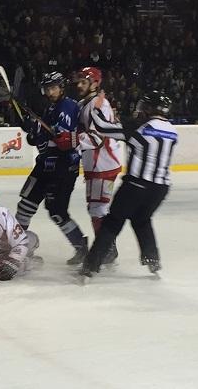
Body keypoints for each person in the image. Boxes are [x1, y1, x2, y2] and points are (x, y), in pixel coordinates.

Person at [81, 91, 177, 276]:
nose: (141, 110)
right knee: (141, 219)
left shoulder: (139, 127)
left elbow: (101, 127)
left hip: (136, 185)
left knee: (112, 222)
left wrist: (96, 106)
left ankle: (92, 264)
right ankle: (152, 258)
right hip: (160, 188)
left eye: (145, 106)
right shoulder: (173, 130)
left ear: (151, 109)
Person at [15, 72, 87, 264]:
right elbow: (40, 137)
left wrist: (39, 130)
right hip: (44, 164)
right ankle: (16, 246)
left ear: (61, 88)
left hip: (63, 166)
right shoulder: (50, 108)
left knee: (56, 210)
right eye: (47, 88)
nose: (50, 91)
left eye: (53, 87)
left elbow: (62, 140)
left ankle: (81, 246)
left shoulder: (68, 106)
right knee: (25, 205)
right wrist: (32, 128)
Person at [70, 66, 122, 265]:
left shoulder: (98, 104)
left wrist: (71, 139)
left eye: (84, 81)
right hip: (97, 164)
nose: (79, 85)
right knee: (97, 208)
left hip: (103, 164)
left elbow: (97, 137)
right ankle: (106, 247)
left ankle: (107, 249)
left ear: (95, 83)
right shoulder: (89, 102)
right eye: (79, 81)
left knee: (98, 209)